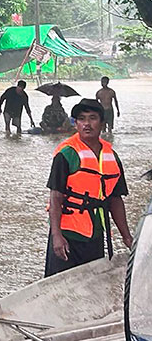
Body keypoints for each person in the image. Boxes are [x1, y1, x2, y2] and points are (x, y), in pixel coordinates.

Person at [44, 98, 133, 277]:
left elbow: (115, 199)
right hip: (68, 235)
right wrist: (57, 236)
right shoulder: (66, 154)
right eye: (82, 119)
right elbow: (55, 197)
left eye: (92, 118)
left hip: (96, 234)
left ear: (102, 123)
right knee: (60, 289)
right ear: (75, 123)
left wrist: (127, 237)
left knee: (92, 287)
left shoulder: (112, 157)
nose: (87, 124)